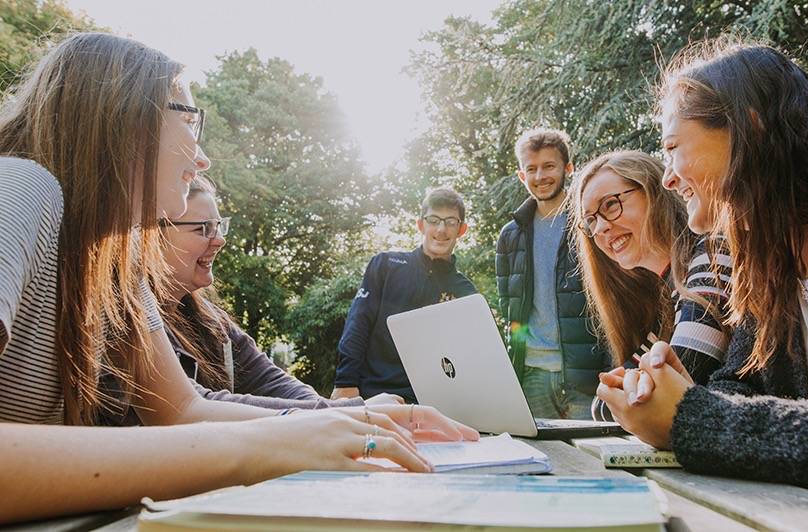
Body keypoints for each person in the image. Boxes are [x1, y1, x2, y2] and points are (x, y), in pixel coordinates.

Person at [0, 33, 476, 524]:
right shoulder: (20, 187)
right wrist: (265, 443)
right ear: (122, 117)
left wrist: (352, 419)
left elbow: (182, 411)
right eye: (188, 118)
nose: (202, 159)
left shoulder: (116, 262)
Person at [597, 40, 808, 490]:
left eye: (673, 147)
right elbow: (743, 390)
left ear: (748, 128)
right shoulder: (768, 264)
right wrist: (681, 395)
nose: (668, 177)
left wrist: (697, 419)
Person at [101, 177, 401, 426]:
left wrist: (351, 414)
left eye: (219, 226)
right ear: (150, 237)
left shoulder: (214, 323)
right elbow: (196, 403)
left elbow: (275, 384)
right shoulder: (120, 317)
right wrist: (351, 413)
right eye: (203, 228)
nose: (219, 240)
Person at [570, 150, 730, 395]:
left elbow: (667, 389)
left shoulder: (714, 252)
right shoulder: (668, 299)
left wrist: (626, 392)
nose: (600, 227)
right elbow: (606, 398)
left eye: (610, 204)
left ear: (656, 192)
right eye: (591, 220)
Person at [496, 127, 609, 420]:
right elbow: (510, 312)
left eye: (549, 166)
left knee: (593, 463)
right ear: (522, 176)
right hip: (532, 376)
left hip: (588, 376)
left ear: (568, 168)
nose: (540, 176)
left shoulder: (591, 223)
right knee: (545, 463)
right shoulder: (511, 235)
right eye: (531, 169)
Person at [331, 187, 478, 403]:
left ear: (462, 229)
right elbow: (358, 324)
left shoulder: (466, 292)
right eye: (433, 219)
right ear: (421, 224)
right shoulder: (385, 265)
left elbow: (467, 354)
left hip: (432, 404)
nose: (441, 229)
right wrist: (345, 383)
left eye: (450, 222)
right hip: (372, 395)